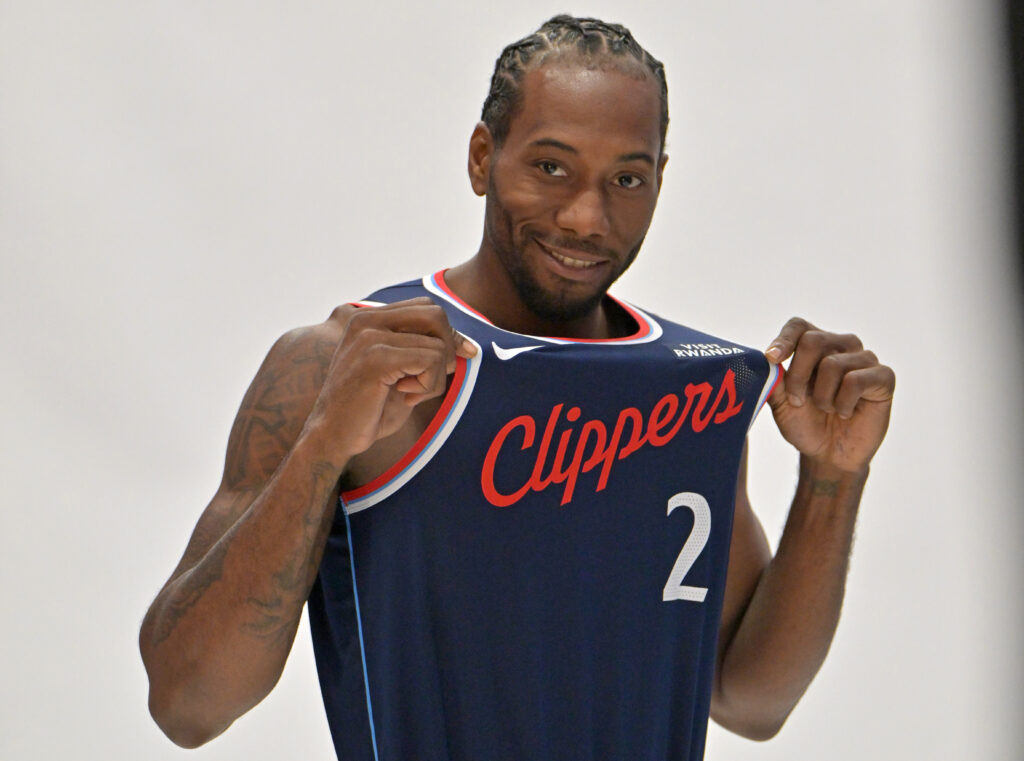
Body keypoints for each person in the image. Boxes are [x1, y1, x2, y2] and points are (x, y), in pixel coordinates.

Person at [140, 15, 895, 760]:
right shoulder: (343, 364)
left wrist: (834, 477)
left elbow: (750, 699)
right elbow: (187, 702)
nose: (584, 216)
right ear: (481, 158)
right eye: (551, 166)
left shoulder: (691, 392)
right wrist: (323, 443)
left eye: (626, 178)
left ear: (661, 180)